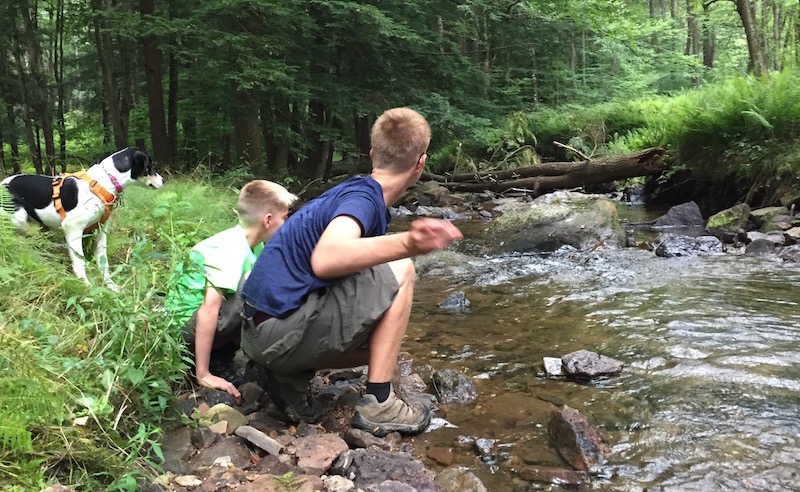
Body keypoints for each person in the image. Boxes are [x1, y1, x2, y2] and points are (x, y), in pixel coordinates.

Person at [240, 107, 463, 436]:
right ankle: (380, 403)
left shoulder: (352, 192)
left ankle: (286, 377)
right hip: (275, 337)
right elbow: (327, 258)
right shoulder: (362, 200)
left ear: (373, 154)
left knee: (384, 342)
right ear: (421, 163)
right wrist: (410, 243)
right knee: (400, 269)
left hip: (257, 332)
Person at [165, 180, 297, 399]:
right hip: (183, 330)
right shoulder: (231, 249)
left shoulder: (256, 245)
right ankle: (211, 362)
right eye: (284, 218)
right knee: (252, 283)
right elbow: (208, 310)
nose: (285, 224)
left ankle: (234, 357)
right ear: (268, 220)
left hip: (203, 321)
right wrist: (203, 374)